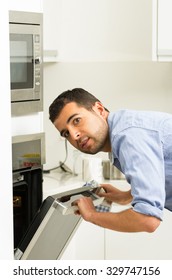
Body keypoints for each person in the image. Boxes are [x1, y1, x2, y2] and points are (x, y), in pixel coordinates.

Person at [49, 88, 172, 233]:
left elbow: (147, 220)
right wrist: (126, 196)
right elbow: (159, 173)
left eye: (77, 120)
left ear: (99, 109)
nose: (74, 135)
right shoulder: (123, 130)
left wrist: (91, 215)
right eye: (66, 133)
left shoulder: (128, 136)